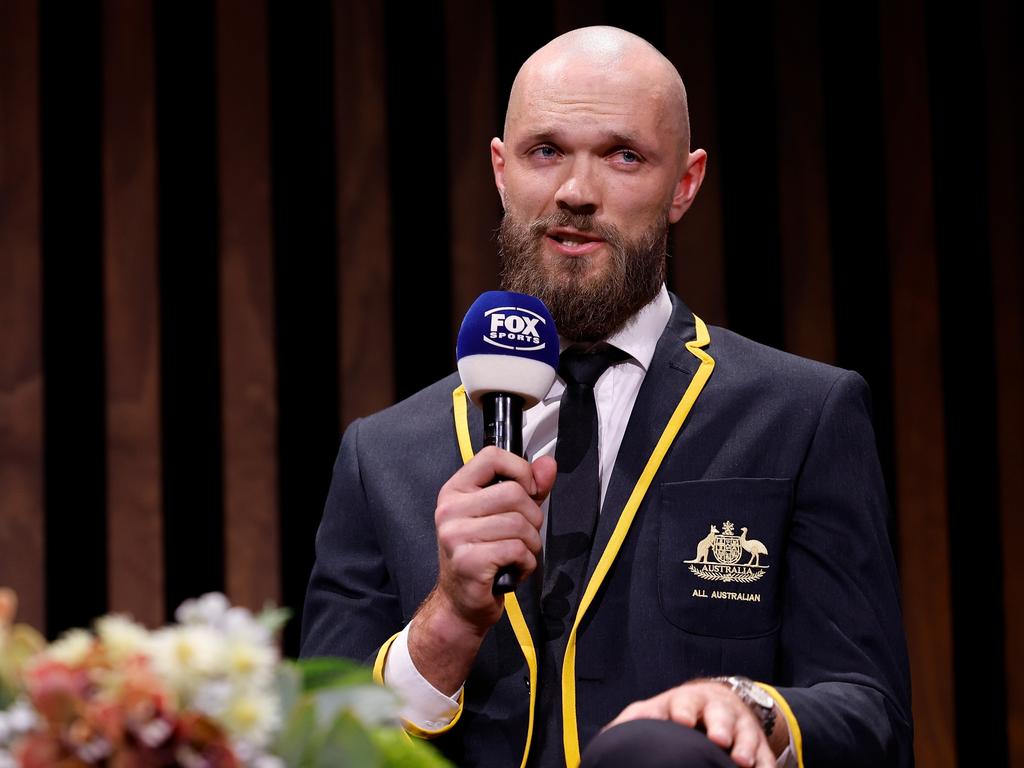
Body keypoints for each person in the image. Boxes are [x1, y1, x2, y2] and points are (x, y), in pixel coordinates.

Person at [301, 26, 912, 768]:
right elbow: (318, 748)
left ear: (684, 184)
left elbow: (870, 714)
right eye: (545, 151)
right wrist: (448, 625)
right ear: (501, 169)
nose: (575, 193)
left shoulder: (802, 414)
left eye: (624, 156)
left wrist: (748, 706)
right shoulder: (385, 453)